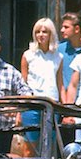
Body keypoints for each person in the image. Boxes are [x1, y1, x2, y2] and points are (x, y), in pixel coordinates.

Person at [21, 17, 63, 145]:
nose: (41, 35)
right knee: (31, 145)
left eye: (45, 31)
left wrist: (65, 106)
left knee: (48, 144)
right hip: (32, 104)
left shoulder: (58, 56)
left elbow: (60, 84)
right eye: (38, 31)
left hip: (52, 104)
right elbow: (23, 82)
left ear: (51, 34)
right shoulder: (28, 55)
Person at [56, 12, 81, 95]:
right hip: (62, 100)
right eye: (62, 27)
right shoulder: (58, 50)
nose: (62, 30)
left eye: (66, 27)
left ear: (77, 29)